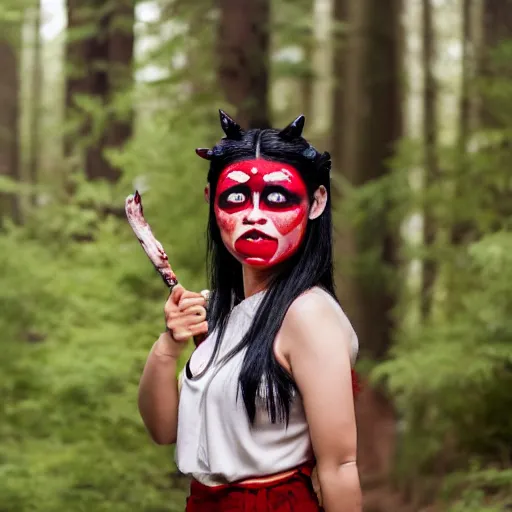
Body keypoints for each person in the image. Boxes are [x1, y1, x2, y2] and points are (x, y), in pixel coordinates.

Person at [138, 110, 361, 511]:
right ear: (212, 202)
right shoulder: (222, 313)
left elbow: (340, 465)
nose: (254, 214)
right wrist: (169, 345)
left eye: (277, 198)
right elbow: (162, 429)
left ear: (316, 202)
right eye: (236, 197)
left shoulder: (308, 315)